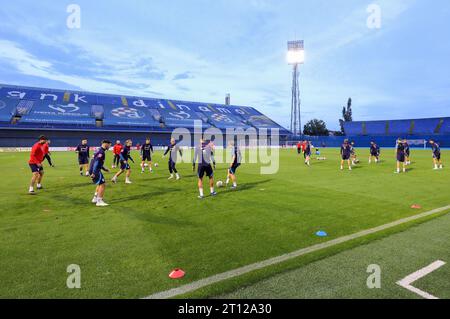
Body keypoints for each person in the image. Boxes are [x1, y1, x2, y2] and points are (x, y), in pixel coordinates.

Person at [89, 140, 112, 207]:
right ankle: (99, 201)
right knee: (103, 184)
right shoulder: (101, 152)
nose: (110, 146)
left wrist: (104, 169)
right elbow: (96, 162)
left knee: (99, 184)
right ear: (105, 144)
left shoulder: (98, 150)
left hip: (94, 169)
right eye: (109, 145)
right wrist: (93, 172)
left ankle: (95, 198)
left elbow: (95, 161)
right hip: (95, 170)